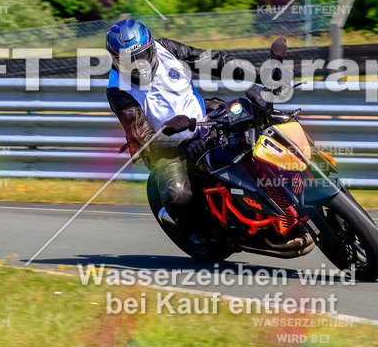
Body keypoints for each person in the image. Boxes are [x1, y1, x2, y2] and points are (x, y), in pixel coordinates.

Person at [104, 19, 286, 240]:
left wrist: (260, 74)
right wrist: (183, 144)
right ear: (116, 61)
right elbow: (144, 137)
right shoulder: (117, 90)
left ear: (151, 47)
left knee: (256, 120)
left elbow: (214, 61)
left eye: (143, 56)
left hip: (203, 119)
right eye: (129, 62)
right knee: (177, 193)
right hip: (167, 148)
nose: (140, 65)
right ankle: (193, 229)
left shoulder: (166, 49)